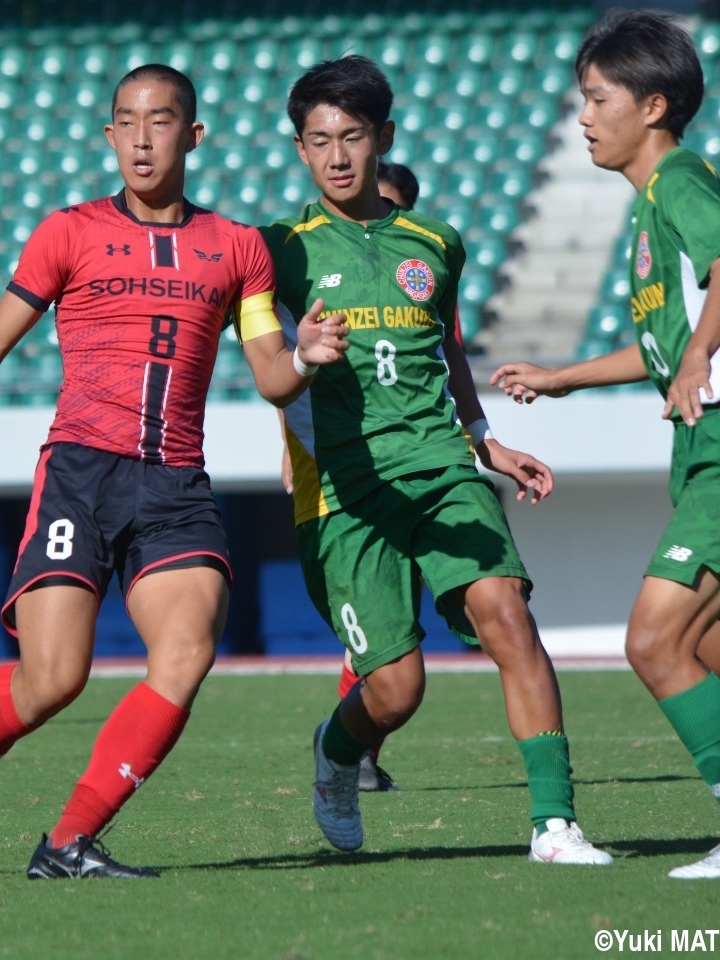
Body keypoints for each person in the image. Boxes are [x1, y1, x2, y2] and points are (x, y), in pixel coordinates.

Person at [0, 64, 347, 880]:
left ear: (194, 134)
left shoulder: (237, 247)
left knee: (185, 652)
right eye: (128, 122)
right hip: (80, 472)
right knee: (51, 680)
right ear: (109, 135)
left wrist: (306, 357)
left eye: (162, 120)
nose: (143, 139)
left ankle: (68, 842)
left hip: (175, 483)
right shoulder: (67, 232)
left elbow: (268, 373)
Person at [265, 55, 611, 865]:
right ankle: (336, 755)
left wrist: (485, 439)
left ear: (383, 138)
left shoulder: (436, 244)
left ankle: (555, 824)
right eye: (320, 141)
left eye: (353, 137)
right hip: (345, 493)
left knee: (509, 618)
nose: (338, 155)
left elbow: (445, 353)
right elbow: (260, 359)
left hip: (443, 464)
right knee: (396, 689)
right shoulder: (275, 250)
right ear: (300, 148)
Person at [491, 9, 720, 879]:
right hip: (709, 452)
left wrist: (697, 358)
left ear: (652, 106)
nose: (582, 116)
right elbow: (663, 343)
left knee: (654, 643)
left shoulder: (682, 179)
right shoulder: (652, 206)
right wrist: (564, 376)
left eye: (597, 97)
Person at [276, 159, 424, 794]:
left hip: (414, 458)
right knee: (380, 637)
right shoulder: (308, 257)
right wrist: (287, 444)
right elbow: (289, 360)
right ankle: (349, 748)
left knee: (404, 620)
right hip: (339, 468)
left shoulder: (419, 266)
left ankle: (359, 748)